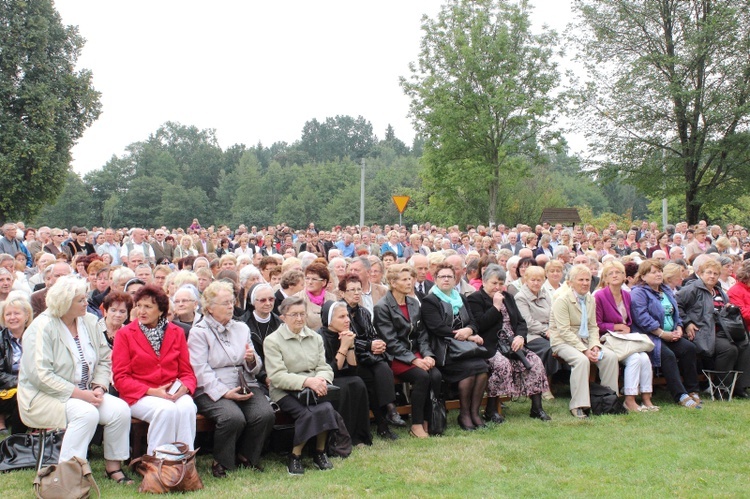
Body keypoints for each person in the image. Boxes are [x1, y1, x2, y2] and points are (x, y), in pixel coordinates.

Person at [17, 276, 132, 484]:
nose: (86, 303)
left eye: (85, 298)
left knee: (120, 410)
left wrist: (99, 387)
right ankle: (67, 475)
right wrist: (81, 394)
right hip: (44, 397)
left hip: (86, 392)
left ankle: (113, 467)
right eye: (81, 300)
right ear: (64, 302)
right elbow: (41, 376)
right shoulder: (41, 327)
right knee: (86, 413)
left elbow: (105, 359)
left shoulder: (88, 320)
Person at [188, 281, 275, 478]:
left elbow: (255, 365)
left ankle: (246, 456)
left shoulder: (241, 328)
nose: (230, 306)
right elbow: (200, 370)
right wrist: (224, 392)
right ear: (209, 308)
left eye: (231, 301)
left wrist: (251, 360)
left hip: (244, 383)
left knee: (265, 413)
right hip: (211, 388)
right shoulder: (199, 332)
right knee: (232, 417)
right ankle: (222, 461)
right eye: (225, 303)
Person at [112, 285, 198, 454]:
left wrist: (184, 388)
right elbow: (120, 378)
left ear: (161, 311)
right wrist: (153, 391)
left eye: (148, 307)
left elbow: (187, 372)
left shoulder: (177, 332)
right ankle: (159, 464)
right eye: (139, 306)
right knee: (166, 410)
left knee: (187, 406)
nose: (141, 311)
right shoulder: (125, 334)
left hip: (172, 391)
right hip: (139, 395)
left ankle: (184, 463)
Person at [263, 296, 338, 475]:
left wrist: (321, 380)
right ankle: (295, 456)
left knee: (326, 407)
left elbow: (324, 366)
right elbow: (277, 376)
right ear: (283, 317)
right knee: (307, 413)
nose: (299, 318)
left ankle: (319, 453)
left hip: (313, 387)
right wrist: (306, 381)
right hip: (283, 391)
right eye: (294, 314)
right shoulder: (272, 341)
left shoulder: (315, 337)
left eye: (302, 314)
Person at [468, 265, 551, 422]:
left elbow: (520, 322)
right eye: (494, 283)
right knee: (502, 364)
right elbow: (480, 325)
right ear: (484, 282)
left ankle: (537, 408)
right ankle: (491, 410)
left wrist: (520, 337)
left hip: (512, 343)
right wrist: (496, 307)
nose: (497, 287)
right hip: (490, 344)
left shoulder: (508, 297)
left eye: (500, 283)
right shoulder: (475, 299)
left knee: (535, 362)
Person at [373, 264, 441, 439]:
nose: (410, 281)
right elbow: (391, 342)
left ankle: (428, 420)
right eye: (404, 279)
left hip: (415, 353)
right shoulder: (382, 307)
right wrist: (414, 360)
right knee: (422, 376)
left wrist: (428, 355)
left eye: (410, 278)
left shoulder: (413, 303)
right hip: (395, 357)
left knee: (435, 375)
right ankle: (417, 424)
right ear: (393, 283)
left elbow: (422, 334)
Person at [422, 263, 488, 431]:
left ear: (455, 279)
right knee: (469, 372)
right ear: (435, 279)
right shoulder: (430, 300)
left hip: (465, 347)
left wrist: (470, 329)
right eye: (442, 276)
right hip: (445, 350)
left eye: (449, 276)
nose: (446, 279)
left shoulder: (461, 298)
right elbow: (437, 327)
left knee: (482, 369)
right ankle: (464, 414)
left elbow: (473, 321)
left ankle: (474, 413)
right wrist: (465, 335)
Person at [549, 264, 620, 419]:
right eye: (580, 279)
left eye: (587, 280)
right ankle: (579, 405)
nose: (585, 283)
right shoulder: (561, 300)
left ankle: (609, 400)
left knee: (610, 357)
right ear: (571, 282)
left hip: (586, 340)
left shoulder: (590, 299)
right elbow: (564, 331)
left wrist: (595, 346)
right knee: (581, 360)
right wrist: (584, 350)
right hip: (562, 342)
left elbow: (593, 326)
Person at [339, 274, 404, 439]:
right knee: (370, 381)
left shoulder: (363, 312)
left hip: (369, 356)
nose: (356, 293)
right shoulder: (339, 313)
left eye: (359, 289)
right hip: (350, 358)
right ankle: (384, 422)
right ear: (342, 293)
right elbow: (346, 337)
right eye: (351, 290)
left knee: (383, 368)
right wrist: (369, 345)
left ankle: (391, 410)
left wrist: (378, 343)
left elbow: (371, 334)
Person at [630, 259, 702, 408]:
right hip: (650, 336)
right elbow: (642, 318)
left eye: (659, 271)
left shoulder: (666, 290)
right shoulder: (638, 293)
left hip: (670, 334)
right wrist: (662, 334)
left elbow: (676, 313)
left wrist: (679, 328)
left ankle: (692, 390)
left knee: (689, 348)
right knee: (667, 355)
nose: (658, 274)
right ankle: (680, 395)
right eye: (653, 272)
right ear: (643, 276)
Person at [677, 259, 750, 399]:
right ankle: (720, 388)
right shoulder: (692, 289)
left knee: (744, 344)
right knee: (729, 349)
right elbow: (677, 305)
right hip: (703, 332)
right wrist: (687, 323)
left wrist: (728, 309)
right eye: (708, 273)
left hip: (723, 330)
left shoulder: (718, 290)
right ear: (700, 273)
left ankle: (739, 386)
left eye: (715, 273)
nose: (712, 276)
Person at [595, 261, 656, 412]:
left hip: (625, 339)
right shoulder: (599, 296)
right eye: (610, 273)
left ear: (624, 276)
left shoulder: (627, 296)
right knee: (635, 359)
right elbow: (596, 324)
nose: (615, 275)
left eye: (618, 272)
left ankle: (647, 398)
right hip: (608, 339)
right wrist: (616, 327)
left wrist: (627, 329)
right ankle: (629, 400)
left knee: (644, 357)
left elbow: (630, 320)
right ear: (605, 278)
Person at [318, 301, 372, 446]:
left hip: (342, 377)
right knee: (344, 386)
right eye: (341, 317)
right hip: (325, 380)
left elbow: (354, 370)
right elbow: (331, 371)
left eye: (347, 316)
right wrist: (343, 346)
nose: (347, 320)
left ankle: (358, 435)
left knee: (357, 382)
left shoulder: (344, 334)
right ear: (330, 320)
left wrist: (351, 345)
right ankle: (338, 437)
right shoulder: (319, 338)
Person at [512, 265, 558, 394]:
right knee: (549, 348)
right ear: (526, 280)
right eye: (533, 280)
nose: (536, 283)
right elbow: (527, 322)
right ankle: (545, 387)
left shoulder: (545, 294)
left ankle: (561, 380)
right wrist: (545, 331)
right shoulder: (520, 297)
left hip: (549, 330)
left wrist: (553, 329)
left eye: (539, 280)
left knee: (562, 344)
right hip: (530, 334)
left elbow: (553, 314)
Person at [0, 292, 32, 435]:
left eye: (16, 313)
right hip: (6, 389)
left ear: (26, 316)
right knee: (22, 397)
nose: (12, 317)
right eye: (8, 314)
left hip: (31, 385)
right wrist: (21, 382)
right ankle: (17, 439)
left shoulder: (35, 337)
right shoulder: (1, 339)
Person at [297, 261, 336, 331]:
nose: (310, 282)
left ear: (324, 282)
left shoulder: (332, 298)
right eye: (307, 278)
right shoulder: (297, 299)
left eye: (314, 279)